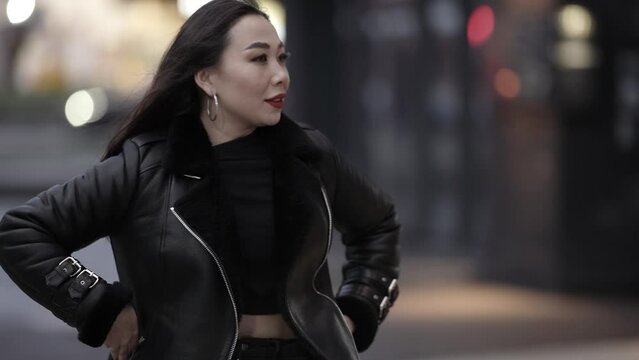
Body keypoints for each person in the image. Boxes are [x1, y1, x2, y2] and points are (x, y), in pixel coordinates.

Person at [0, 1, 400, 359]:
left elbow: (378, 225)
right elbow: (21, 232)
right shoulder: (146, 167)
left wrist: (355, 313)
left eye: (282, 58)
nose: (281, 75)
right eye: (259, 60)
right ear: (207, 77)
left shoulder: (310, 156)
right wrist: (102, 311)